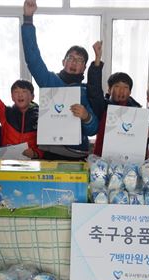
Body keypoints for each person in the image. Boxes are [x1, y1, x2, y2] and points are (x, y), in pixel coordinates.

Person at [22, 0, 99, 160]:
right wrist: (28, 20)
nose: (74, 62)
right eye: (71, 58)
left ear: (84, 68)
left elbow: (93, 130)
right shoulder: (50, 81)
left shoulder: (86, 91)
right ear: (63, 62)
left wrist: (86, 117)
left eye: (79, 60)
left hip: (77, 155)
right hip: (50, 152)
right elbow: (33, 59)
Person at [0, 56, 42, 159]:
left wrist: (35, 153)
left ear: (32, 96)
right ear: (11, 96)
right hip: (7, 164)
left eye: (24, 92)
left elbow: (48, 144)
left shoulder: (42, 115)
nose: (20, 95)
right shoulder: (5, 112)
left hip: (33, 166)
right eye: (16, 92)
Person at [87, 41, 142, 157]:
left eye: (125, 87)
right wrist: (97, 59)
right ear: (109, 90)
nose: (121, 91)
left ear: (130, 91)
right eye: (117, 86)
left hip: (129, 160)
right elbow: (94, 90)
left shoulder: (138, 112)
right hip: (103, 159)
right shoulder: (103, 106)